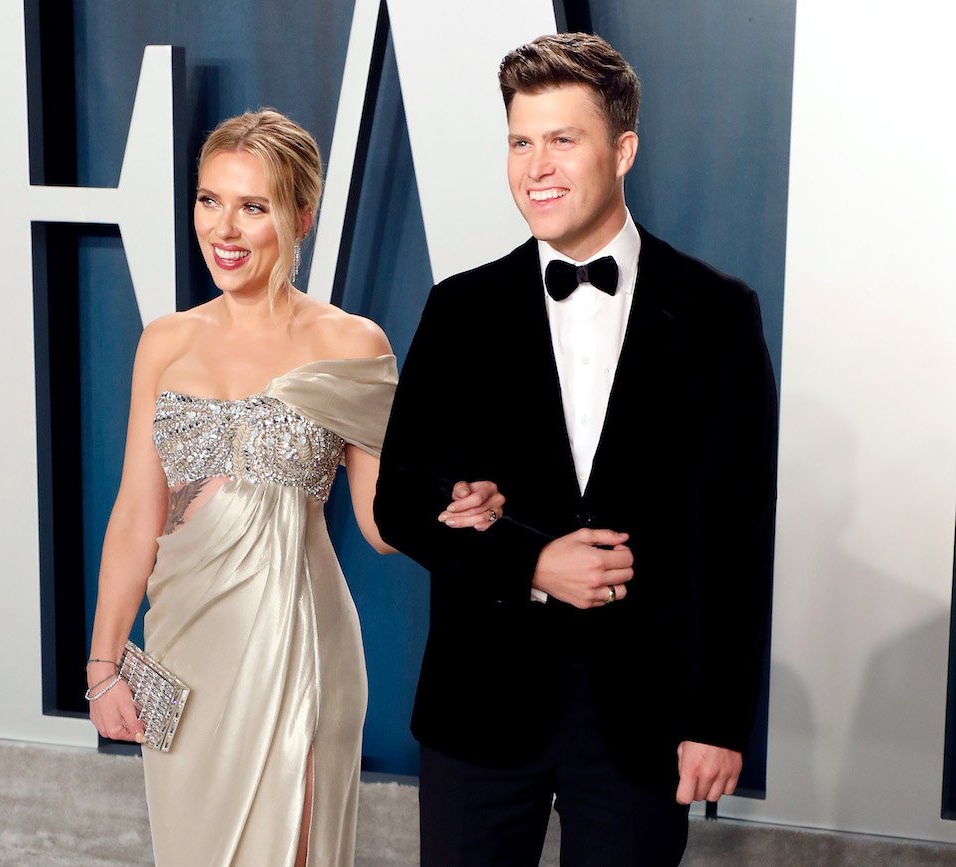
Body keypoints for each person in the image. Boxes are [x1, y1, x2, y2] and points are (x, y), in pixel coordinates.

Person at [374, 33, 778, 866]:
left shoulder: (717, 314)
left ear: (622, 149)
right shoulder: (460, 310)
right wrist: (528, 560)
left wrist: (717, 721)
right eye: (521, 141)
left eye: (563, 139)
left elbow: (739, 534)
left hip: (644, 716)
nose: (537, 166)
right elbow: (399, 500)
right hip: (479, 705)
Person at [82, 109, 504, 867]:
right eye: (210, 200)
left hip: (301, 645)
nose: (225, 228)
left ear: (301, 215)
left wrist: (450, 513)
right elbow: (135, 511)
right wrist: (102, 663)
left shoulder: (351, 343)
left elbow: (381, 519)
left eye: (253, 205)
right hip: (184, 648)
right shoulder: (165, 341)